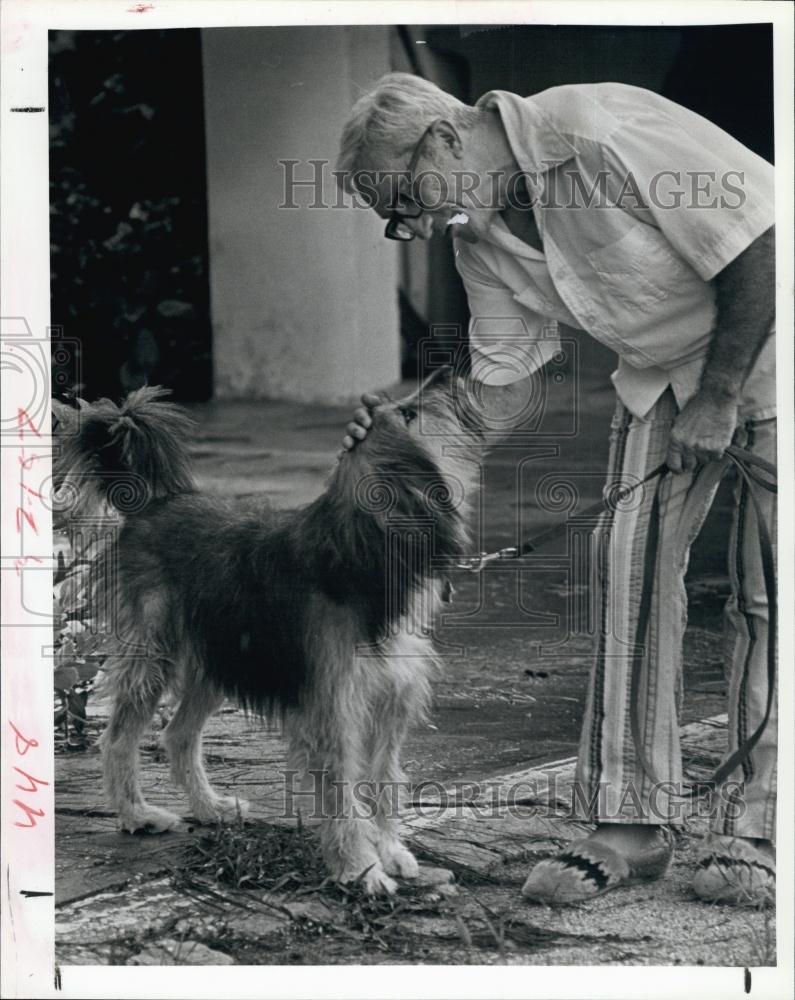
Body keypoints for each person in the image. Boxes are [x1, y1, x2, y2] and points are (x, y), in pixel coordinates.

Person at [336, 73, 776, 905]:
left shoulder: (593, 131)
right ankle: (628, 823)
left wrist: (721, 398)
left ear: (442, 141)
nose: (414, 226)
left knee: (768, 592)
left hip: (770, 339)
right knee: (623, 567)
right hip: (666, 376)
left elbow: (759, 244)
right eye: (397, 218)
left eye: (403, 200)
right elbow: (499, 385)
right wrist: (407, 429)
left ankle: (762, 826)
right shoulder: (477, 239)